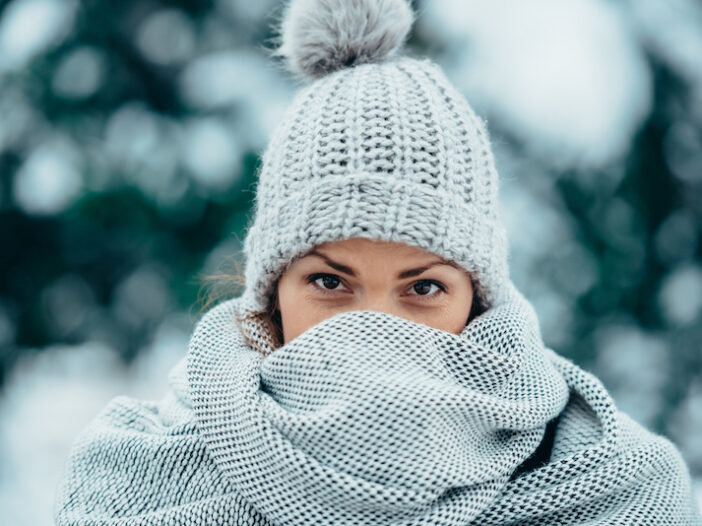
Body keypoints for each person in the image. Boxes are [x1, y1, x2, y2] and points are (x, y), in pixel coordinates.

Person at [54, 0, 701, 524]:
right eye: (330, 281)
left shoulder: (617, 489)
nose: (372, 325)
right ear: (271, 292)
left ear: (478, 299)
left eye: (422, 287)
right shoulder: (134, 478)